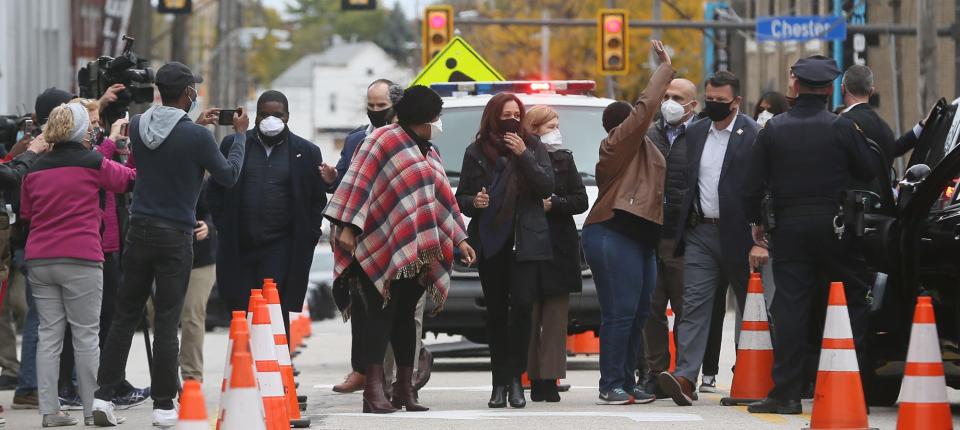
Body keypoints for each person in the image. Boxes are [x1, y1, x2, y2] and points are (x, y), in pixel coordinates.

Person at [93, 62, 247, 427]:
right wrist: (238, 136)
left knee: (124, 316)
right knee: (166, 320)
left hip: (138, 229)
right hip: (175, 235)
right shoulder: (196, 138)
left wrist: (198, 127)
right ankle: (163, 405)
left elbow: (166, 143)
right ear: (188, 93)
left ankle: (102, 397)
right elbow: (228, 175)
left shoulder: (139, 124)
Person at [325, 85, 475, 414]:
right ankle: (373, 393)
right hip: (377, 245)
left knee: (405, 318)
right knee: (379, 316)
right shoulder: (381, 141)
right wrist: (349, 227)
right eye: (436, 116)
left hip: (417, 252)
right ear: (422, 117)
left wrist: (460, 238)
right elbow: (359, 182)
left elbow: (442, 198)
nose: (438, 121)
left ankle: (404, 391)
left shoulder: (428, 150)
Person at [742, 55, 878, 415]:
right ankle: (852, 388)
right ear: (831, 88)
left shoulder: (774, 129)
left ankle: (787, 392)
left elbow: (751, 184)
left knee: (791, 308)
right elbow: (867, 169)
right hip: (835, 230)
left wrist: (757, 223)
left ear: (796, 86)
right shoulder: (842, 128)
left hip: (788, 230)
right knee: (848, 305)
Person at [20, 101, 135, 427]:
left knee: (49, 336)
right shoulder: (93, 161)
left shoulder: (36, 167)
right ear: (83, 129)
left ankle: (49, 412)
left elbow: (27, 213)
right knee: (86, 335)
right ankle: (90, 410)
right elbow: (126, 180)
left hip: (40, 259)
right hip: (81, 258)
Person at [657, 71, 759, 406]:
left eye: (721, 101)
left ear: (736, 102)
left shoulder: (752, 134)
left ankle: (751, 375)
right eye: (710, 99)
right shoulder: (696, 130)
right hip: (700, 232)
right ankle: (686, 376)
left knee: (751, 308)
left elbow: (764, 186)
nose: (714, 105)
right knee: (694, 305)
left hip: (743, 235)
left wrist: (762, 236)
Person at [582, 40, 673, 406]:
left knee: (638, 313)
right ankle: (611, 384)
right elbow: (646, 108)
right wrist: (664, 69)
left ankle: (629, 379)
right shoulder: (617, 144)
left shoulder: (646, 148)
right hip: (612, 232)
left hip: (642, 238)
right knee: (619, 313)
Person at [456, 92, 554, 409]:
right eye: (506, 114)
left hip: (525, 243)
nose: (512, 119)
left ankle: (516, 380)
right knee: (496, 314)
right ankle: (499, 382)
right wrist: (475, 203)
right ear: (493, 117)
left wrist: (524, 154)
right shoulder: (476, 151)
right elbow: (462, 198)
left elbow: (546, 187)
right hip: (492, 242)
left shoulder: (534, 146)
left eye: (517, 113)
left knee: (523, 309)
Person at [208, 90, 326, 339]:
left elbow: (316, 200)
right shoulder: (234, 144)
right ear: (256, 115)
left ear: (287, 117)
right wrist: (224, 225)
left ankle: (277, 366)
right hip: (240, 246)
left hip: (280, 246)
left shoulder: (307, 152)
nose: (270, 120)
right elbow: (215, 190)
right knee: (240, 308)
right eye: (264, 114)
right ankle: (243, 365)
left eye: (277, 115)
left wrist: (309, 235)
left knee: (275, 308)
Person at [54, 99, 149, 411]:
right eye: (90, 120)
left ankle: (112, 382)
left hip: (109, 241)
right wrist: (108, 141)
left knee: (109, 318)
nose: (95, 126)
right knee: (81, 324)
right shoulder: (81, 153)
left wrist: (131, 148)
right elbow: (92, 164)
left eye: (97, 120)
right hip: (88, 247)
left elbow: (127, 177)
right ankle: (71, 386)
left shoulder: (100, 150)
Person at [324, 79, 407, 395]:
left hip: (396, 235)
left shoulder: (409, 138)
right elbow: (348, 184)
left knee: (401, 309)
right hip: (359, 237)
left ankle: (404, 374)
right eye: (370, 106)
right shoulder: (357, 139)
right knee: (362, 307)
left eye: (381, 106)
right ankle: (364, 372)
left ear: (395, 106)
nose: (375, 112)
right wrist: (333, 180)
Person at [520, 105, 588, 403]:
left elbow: (580, 200)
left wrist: (555, 204)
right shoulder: (520, 160)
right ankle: (534, 378)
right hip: (529, 247)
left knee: (556, 320)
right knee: (531, 317)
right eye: (549, 126)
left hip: (560, 246)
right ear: (533, 130)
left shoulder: (565, 159)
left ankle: (551, 378)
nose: (555, 131)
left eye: (557, 124)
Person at [11, 88, 74, 411]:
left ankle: (41, 384)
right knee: (43, 320)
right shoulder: (40, 152)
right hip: (40, 244)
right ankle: (30, 385)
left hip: (32, 244)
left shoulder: (28, 149)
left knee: (45, 320)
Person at [641, 78, 698, 397]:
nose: (669, 102)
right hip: (652, 232)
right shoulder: (650, 134)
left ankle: (685, 375)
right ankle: (657, 372)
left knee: (686, 308)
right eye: (665, 96)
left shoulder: (700, 135)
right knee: (651, 307)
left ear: (693, 105)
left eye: (677, 97)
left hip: (685, 236)